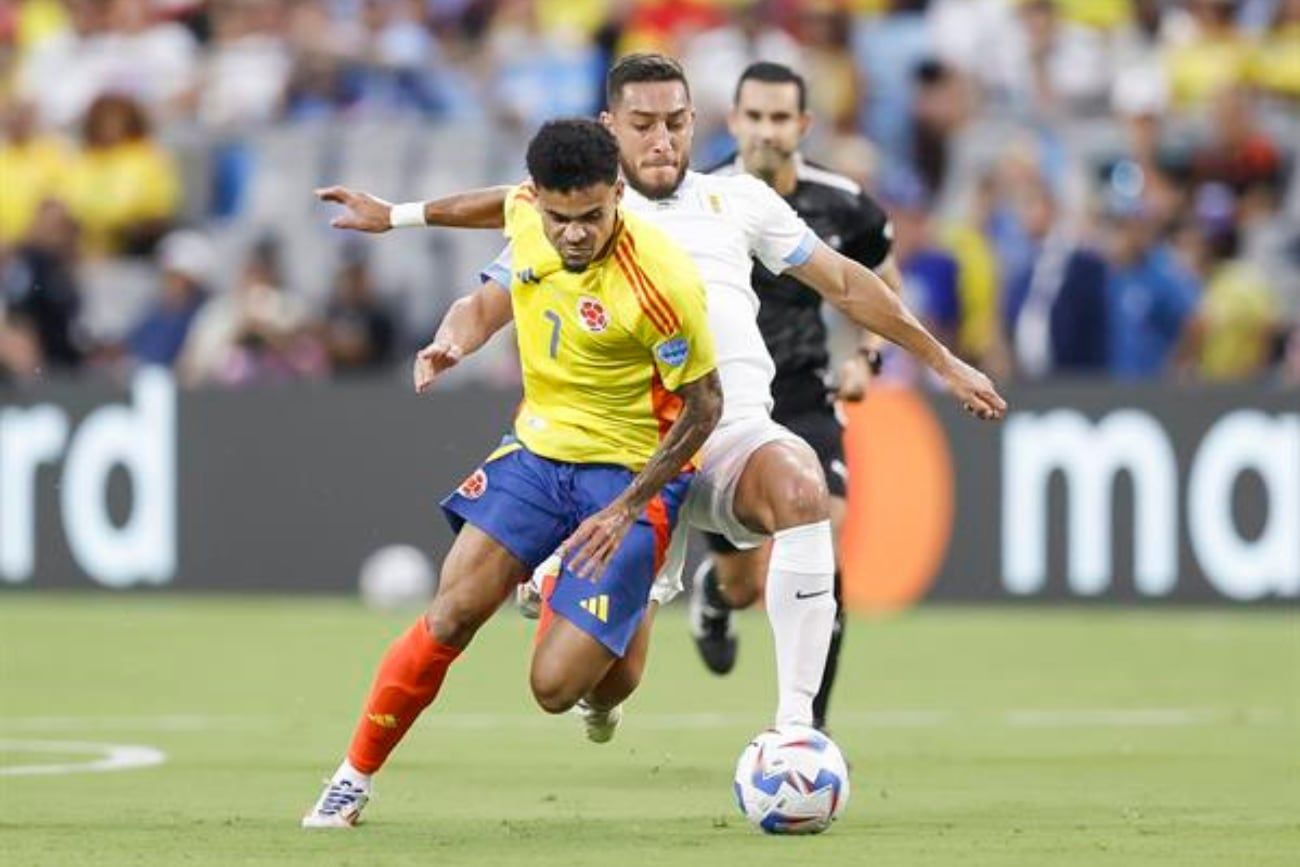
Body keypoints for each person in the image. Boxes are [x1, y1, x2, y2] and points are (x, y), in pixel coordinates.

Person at [316, 53, 1005, 738]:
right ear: (608, 127)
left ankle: (797, 732)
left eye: (675, 122)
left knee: (804, 494)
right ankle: (601, 674)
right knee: (580, 686)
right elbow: (503, 210)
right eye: (642, 123)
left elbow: (849, 284)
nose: (662, 139)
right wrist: (407, 236)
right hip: (624, 460)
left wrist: (944, 362)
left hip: (725, 433)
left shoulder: (738, 200)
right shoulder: (573, 218)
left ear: (695, 122)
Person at [303, 118, 723, 828]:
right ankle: (352, 777)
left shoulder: (662, 280)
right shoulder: (529, 214)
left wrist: (628, 507)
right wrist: (441, 315)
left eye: (592, 216)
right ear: (539, 200)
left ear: (618, 193)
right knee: (454, 610)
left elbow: (706, 408)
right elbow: (488, 250)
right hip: (535, 454)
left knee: (565, 689)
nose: (576, 235)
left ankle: (629, 595)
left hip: (626, 476)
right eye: (562, 218)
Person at [686, 61, 904, 733]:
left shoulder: (844, 202)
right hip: (729, 401)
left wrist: (867, 357)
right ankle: (718, 598)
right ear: (734, 121)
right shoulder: (702, 199)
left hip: (806, 390)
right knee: (748, 581)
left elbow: (880, 280)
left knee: (823, 537)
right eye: (753, 116)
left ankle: (809, 728)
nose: (766, 131)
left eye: (780, 118)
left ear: (803, 125)